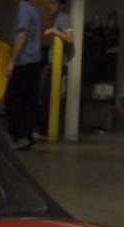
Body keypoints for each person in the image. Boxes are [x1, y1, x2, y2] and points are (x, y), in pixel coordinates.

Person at [5, 0, 41, 150]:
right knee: (27, 101)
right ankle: (27, 135)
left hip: (24, 62)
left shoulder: (24, 9)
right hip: (35, 61)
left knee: (13, 99)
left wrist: (12, 60)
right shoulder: (33, 9)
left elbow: (23, 34)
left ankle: (19, 136)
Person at [38, 0, 75, 136]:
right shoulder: (57, 18)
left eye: (53, 3)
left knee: (46, 96)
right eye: (50, 3)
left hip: (57, 64)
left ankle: (46, 131)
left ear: (61, 6)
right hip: (53, 62)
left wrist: (54, 30)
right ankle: (46, 129)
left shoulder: (63, 18)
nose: (50, 6)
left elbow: (70, 38)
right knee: (46, 95)